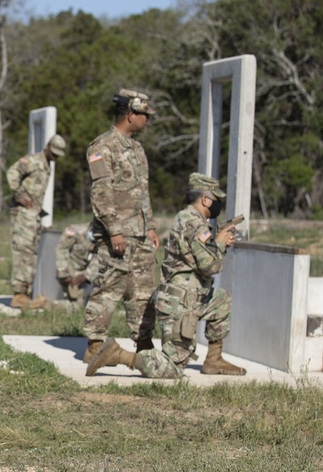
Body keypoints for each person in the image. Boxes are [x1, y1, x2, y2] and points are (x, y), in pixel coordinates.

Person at [87, 173, 248, 378]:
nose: (217, 204)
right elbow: (209, 266)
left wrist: (218, 243)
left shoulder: (192, 219)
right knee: (172, 368)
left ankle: (213, 359)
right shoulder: (194, 224)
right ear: (205, 199)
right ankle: (118, 355)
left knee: (221, 300)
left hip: (191, 295)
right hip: (179, 302)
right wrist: (220, 244)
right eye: (215, 199)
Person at [81, 89, 160, 363]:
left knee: (142, 291)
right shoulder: (102, 147)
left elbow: (142, 192)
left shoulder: (137, 149)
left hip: (139, 233)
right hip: (117, 234)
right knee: (110, 288)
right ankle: (95, 344)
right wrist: (114, 229)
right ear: (130, 114)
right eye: (144, 115)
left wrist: (149, 226)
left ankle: (144, 343)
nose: (147, 121)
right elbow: (101, 193)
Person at [6, 134, 67, 309]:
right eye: (53, 153)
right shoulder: (32, 161)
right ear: (47, 146)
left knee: (31, 253)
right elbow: (12, 172)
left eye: (57, 156)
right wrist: (19, 195)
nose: (55, 158)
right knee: (23, 252)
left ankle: (26, 291)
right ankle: (19, 293)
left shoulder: (47, 165)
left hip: (33, 215)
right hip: (23, 214)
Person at [54, 221, 98, 309]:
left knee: (80, 305)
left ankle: (49, 304)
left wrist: (86, 276)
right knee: (77, 305)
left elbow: (98, 259)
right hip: (70, 271)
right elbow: (61, 249)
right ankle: (48, 305)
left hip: (83, 274)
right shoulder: (75, 231)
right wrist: (64, 274)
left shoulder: (103, 239)